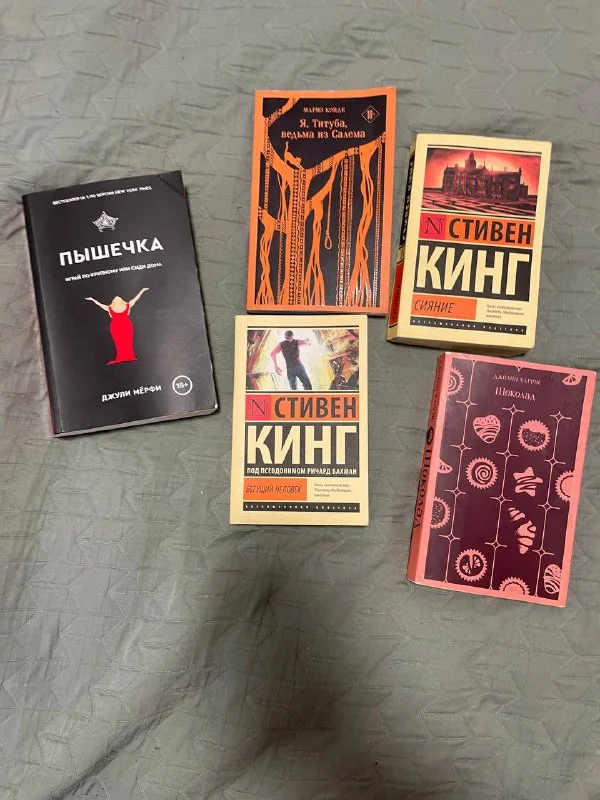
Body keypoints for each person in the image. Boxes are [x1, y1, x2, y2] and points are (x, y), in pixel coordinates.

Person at [85, 288, 149, 365]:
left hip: (126, 325)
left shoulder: (127, 305)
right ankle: (121, 357)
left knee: (128, 340)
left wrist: (142, 290)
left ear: (121, 300)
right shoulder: (110, 308)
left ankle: (129, 356)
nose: (117, 297)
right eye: (115, 298)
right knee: (119, 342)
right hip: (116, 326)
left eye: (118, 297)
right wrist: (92, 299)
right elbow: (100, 305)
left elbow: (136, 298)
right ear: (113, 301)